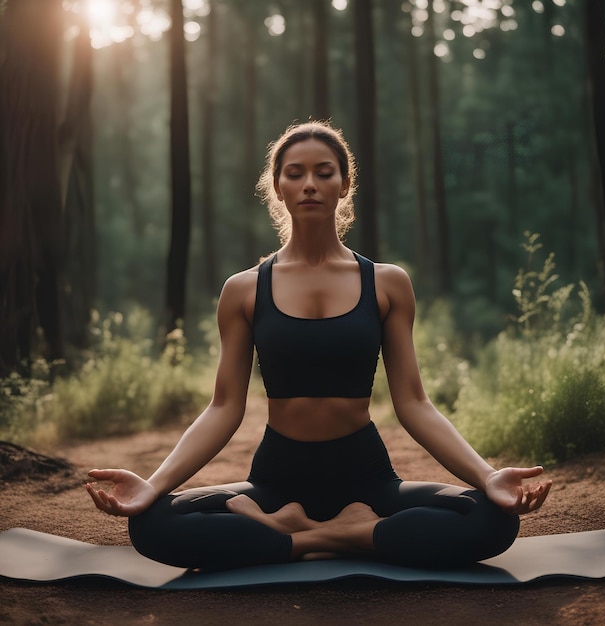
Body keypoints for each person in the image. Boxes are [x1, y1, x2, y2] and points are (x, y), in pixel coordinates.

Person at [87, 121, 551, 571]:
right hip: (276, 479)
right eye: (295, 174)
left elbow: (414, 403)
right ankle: (342, 536)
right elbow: (224, 407)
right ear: (278, 187)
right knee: (152, 525)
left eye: (324, 172)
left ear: (344, 185)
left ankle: (306, 536)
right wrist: (153, 485)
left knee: (495, 519)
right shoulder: (243, 290)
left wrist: (488, 477)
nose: (310, 184)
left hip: (367, 478)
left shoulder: (387, 283)